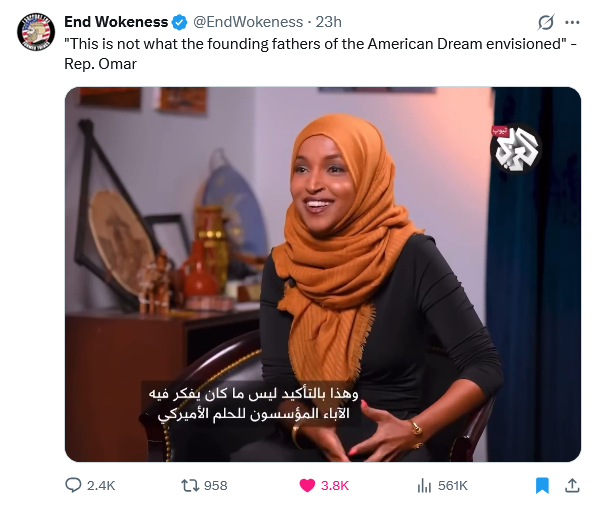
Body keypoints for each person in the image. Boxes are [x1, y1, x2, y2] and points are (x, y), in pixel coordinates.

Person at [231, 113, 503, 462]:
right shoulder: (283, 263)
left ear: (368, 176)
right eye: (301, 168)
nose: (312, 184)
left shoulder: (412, 255)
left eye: (335, 168)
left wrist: (414, 430)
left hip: (390, 446)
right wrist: (311, 428)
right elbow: (280, 383)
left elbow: (485, 364)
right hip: (308, 440)